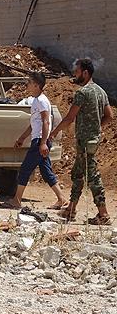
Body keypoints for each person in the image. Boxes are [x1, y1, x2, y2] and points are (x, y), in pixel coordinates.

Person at [49, 58, 113, 225]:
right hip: (92, 140)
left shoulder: (82, 93)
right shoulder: (100, 91)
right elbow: (109, 116)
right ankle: (71, 209)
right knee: (77, 174)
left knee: (92, 176)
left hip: (85, 142)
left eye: (77, 72)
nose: (75, 75)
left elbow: (70, 118)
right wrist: (97, 128)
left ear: (85, 72)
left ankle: (103, 214)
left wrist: (54, 132)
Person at [2, 72, 67, 210]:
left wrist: (43, 143)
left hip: (39, 141)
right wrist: (22, 138)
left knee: (25, 169)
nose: (27, 85)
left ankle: (16, 200)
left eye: (30, 82)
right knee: (46, 171)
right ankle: (61, 199)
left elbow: (45, 122)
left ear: (37, 85)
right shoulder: (36, 101)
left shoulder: (41, 101)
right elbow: (34, 124)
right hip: (38, 140)